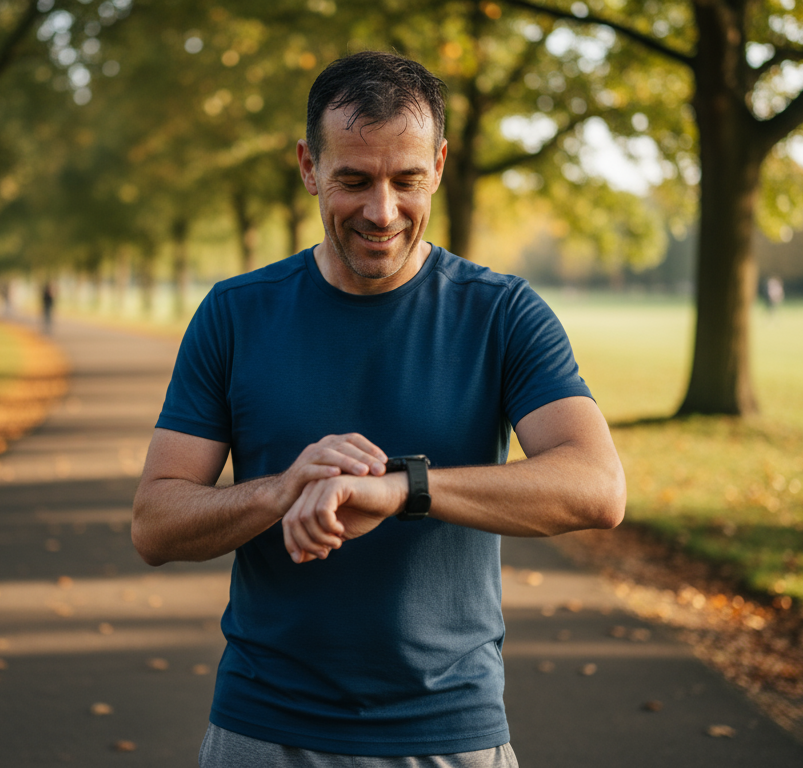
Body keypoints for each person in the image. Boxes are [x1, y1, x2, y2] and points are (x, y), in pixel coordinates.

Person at [132, 51, 625, 768]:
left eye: (407, 181)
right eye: (354, 180)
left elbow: (597, 486)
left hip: (452, 733)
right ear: (307, 166)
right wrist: (283, 489)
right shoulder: (234, 315)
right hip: (263, 730)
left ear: (442, 164)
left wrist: (399, 490)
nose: (382, 211)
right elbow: (154, 524)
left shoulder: (503, 313)